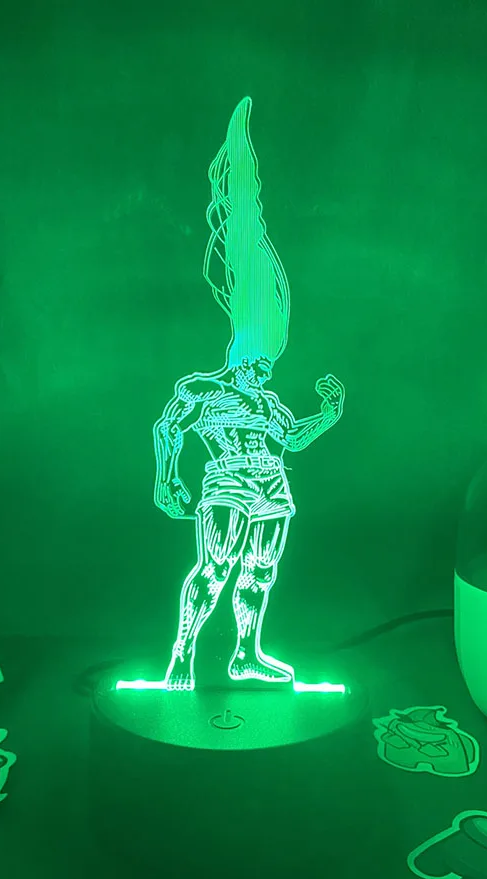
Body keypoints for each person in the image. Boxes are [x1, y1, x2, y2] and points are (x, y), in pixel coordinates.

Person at [152, 96, 345, 690]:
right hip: (227, 480)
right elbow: (168, 427)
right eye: (256, 359)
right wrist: (166, 479)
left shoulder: (268, 402)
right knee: (213, 568)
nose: (264, 368)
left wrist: (329, 413)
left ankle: (245, 654)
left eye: (269, 362)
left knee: (260, 572)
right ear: (239, 353)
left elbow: (293, 439)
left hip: (272, 483)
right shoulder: (204, 390)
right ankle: (183, 655)